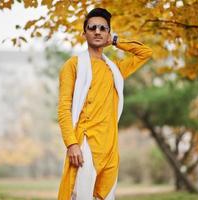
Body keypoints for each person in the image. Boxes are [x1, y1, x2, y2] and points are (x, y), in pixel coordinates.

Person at [57, 8, 152, 200]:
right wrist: (71, 144)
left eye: (103, 28)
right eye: (92, 28)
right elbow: (64, 107)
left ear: (108, 33)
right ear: (84, 33)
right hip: (85, 145)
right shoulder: (73, 65)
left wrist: (116, 41)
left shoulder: (114, 69)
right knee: (79, 196)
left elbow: (145, 53)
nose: (97, 31)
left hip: (110, 148)